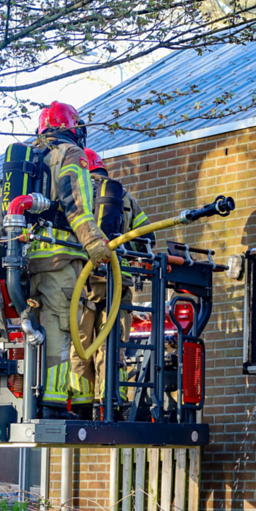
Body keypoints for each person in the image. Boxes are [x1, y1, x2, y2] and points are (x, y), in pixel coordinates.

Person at [9, 102, 113, 417]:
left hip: (28, 260)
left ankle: (34, 397)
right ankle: (53, 403)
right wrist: (94, 242)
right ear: (73, 129)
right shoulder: (70, 155)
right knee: (59, 328)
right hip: (61, 256)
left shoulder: (28, 159)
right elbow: (76, 203)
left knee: (37, 327)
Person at [69, 149, 155, 419]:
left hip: (83, 281)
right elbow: (146, 238)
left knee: (79, 342)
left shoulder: (77, 196)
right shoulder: (124, 198)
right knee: (112, 344)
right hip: (118, 282)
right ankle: (110, 402)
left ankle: (81, 404)